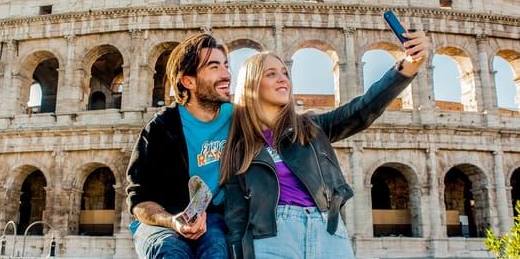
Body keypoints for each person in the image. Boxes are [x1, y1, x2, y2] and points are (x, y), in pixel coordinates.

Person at [220, 31, 430, 259]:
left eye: (285, 72)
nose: (283, 79)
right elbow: (236, 218)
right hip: (273, 238)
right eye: (271, 74)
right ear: (251, 85)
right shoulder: (238, 148)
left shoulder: (311, 128)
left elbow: (362, 109)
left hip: (328, 232)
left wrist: (409, 65)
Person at [126, 33, 232, 259]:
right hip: (162, 221)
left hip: (213, 218)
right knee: (170, 249)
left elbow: (293, 124)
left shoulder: (238, 119)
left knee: (217, 249)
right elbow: (139, 200)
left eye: (226, 65)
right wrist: (173, 221)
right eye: (214, 67)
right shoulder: (161, 128)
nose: (227, 74)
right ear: (188, 81)